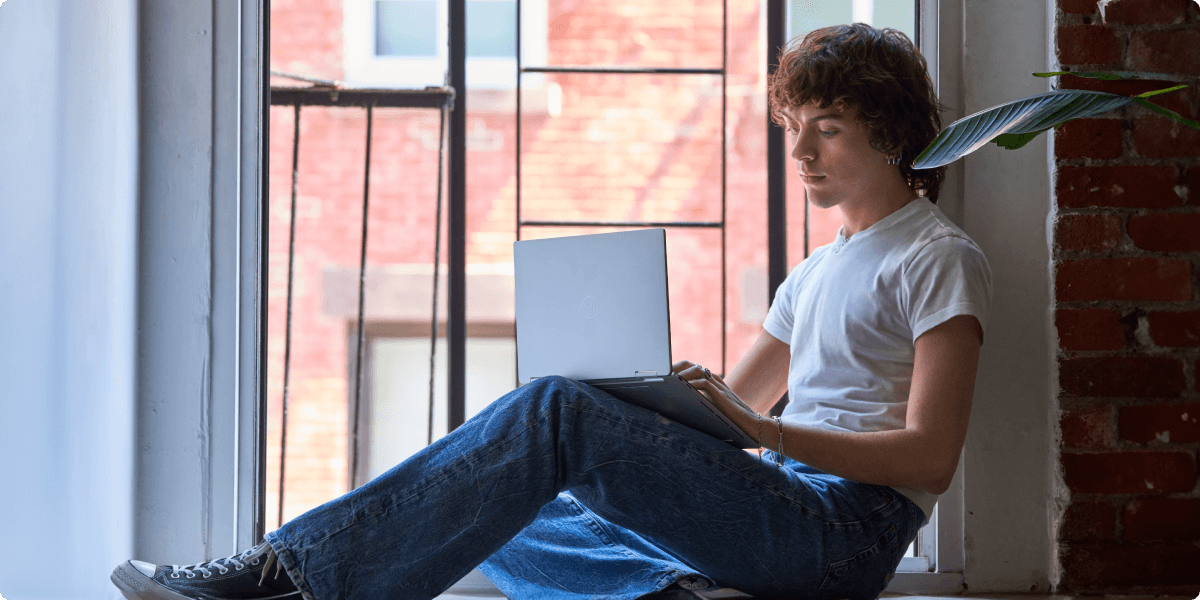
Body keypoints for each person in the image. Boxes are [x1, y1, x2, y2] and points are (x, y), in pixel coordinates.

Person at [111, 23, 991, 600]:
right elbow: (736, 417)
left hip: (844, 536)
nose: (798, 149)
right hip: (781, 508)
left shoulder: (936, 258)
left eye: (827, 126)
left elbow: (932, 457)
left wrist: (769, 437)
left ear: (892, 133)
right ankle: (675, 595)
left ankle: (277, 574)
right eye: (792, 122)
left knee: (548, 414)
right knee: (492, 506)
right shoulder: (817, 270)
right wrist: (667, 399)